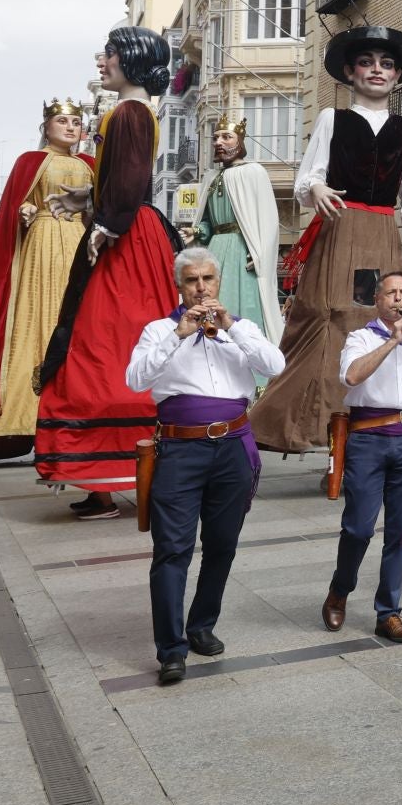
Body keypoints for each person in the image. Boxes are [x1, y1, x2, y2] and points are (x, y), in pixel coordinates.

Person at [252, 26, 402, 454]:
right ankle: (314, 429)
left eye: (386, 64)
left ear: (397, 75)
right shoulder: (333, 119)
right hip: (341, 226)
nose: (377, 70)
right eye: (367, 62)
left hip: (382, 233)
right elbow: (307, 177)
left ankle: (364, 435)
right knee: (328, 319)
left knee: (373, 318)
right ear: (350, 72)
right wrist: (315, 189)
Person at [36, 29, 182, 519]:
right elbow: (117, 178)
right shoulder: (126, 112)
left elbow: (131, 181)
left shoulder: (131, 113)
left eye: (112, 54)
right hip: (127, 231)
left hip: (127, 240)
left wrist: (106, 225)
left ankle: (119, 471)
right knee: (104, 345)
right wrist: (85, 200)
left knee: (105, 344)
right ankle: (106, 477)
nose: (104, 60)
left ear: (133, 60)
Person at [125, 248, 286, 685]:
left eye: (208, 279)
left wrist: (231, 326)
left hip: (232, 445)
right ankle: (170, 649)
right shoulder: (159, 329)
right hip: (180, 450)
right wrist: (179, 334)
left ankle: (201, 625)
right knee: (172, 549)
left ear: (219, 283)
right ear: (180, 286)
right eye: (192, 280)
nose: (201, 287)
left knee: (222, 544)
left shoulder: (242, 329)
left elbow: (275, 366)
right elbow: (135, 379)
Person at [320, 271, 402, 643]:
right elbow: (350, 376)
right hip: (368, 436)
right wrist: (393, 341)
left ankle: (388, 611)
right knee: (358, 527)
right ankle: (340, 590)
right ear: (378, 300)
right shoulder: (361, 337)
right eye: (391, 293)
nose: (399, 299)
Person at [0, 97, 94, 461]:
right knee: (40, 320)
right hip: (44, 241)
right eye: (62, 120)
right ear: (46, 127)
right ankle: (28, 412)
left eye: (76, 121)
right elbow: (16, 205)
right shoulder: (30, 162)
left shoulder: (92, 164)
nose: (70, 126)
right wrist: (26, 208)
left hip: (81, 242)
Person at [192, 112, 285, 345]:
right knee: (207, 306)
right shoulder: (210, 177)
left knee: (242, 305)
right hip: (214, 251)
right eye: (215, 138)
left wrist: (261, 252)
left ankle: (255, 375)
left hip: (240, 251)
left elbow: (267, 220)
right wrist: (196, 231)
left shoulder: (254, 172)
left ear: (240, 141)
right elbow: (207, 221)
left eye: (226, 137)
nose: (218, 142)